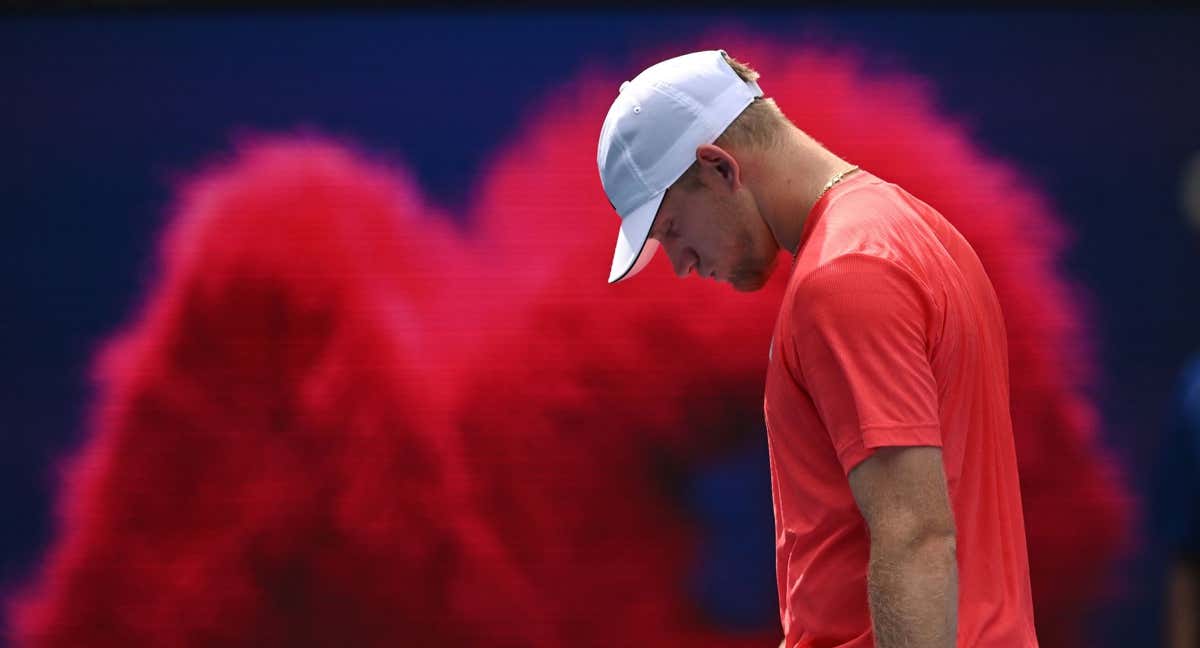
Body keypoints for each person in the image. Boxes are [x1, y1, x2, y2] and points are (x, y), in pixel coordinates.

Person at [596, 49, 1038, 647]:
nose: (680, 265)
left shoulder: (846, 274)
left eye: (672, 229)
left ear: (718, 168)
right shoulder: (919, 230)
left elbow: (916, 537)